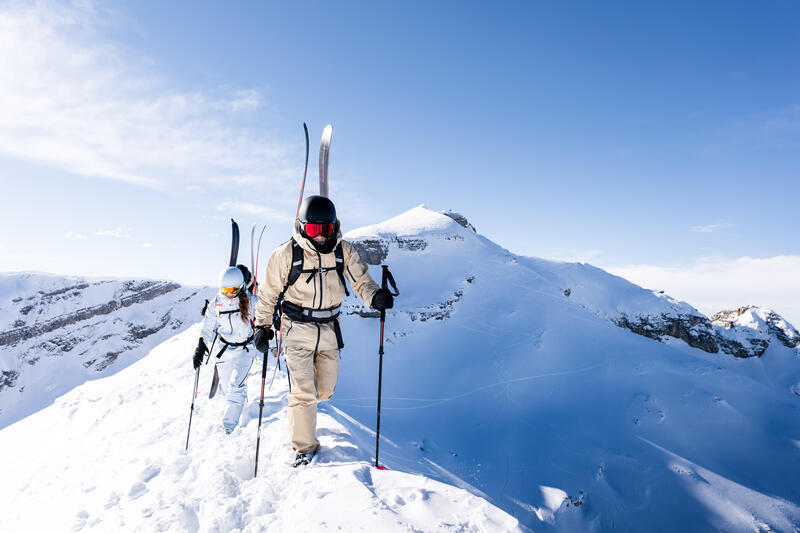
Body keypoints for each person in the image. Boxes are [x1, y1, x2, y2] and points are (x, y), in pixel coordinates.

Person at [253, 195, 395, 467]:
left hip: (330, 330)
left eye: (326, 230)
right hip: (296, 330)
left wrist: (375, 297)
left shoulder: (343, 251)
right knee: (304, 392)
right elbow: (268, 294)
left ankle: (304, 410)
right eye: (314, 230)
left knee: (325, 392)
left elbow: (362, 282)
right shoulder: (286, 254)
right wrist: (262, 325)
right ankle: (304, 447)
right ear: (302, 227)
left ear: (334, 227)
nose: (320, 237)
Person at [193, 265, 257, 434]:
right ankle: (242, 407)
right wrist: (201, 345)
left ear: (242, 286)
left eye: (233, 289)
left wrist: (268, 329)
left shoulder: (251, 301)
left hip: (245, 349)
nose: (229, 292)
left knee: (235, 386)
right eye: (225, 289)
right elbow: (207, 326)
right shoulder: (217, 302)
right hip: (224, 350)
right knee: (227, 388)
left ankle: (229, 429)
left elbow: (266, 315)